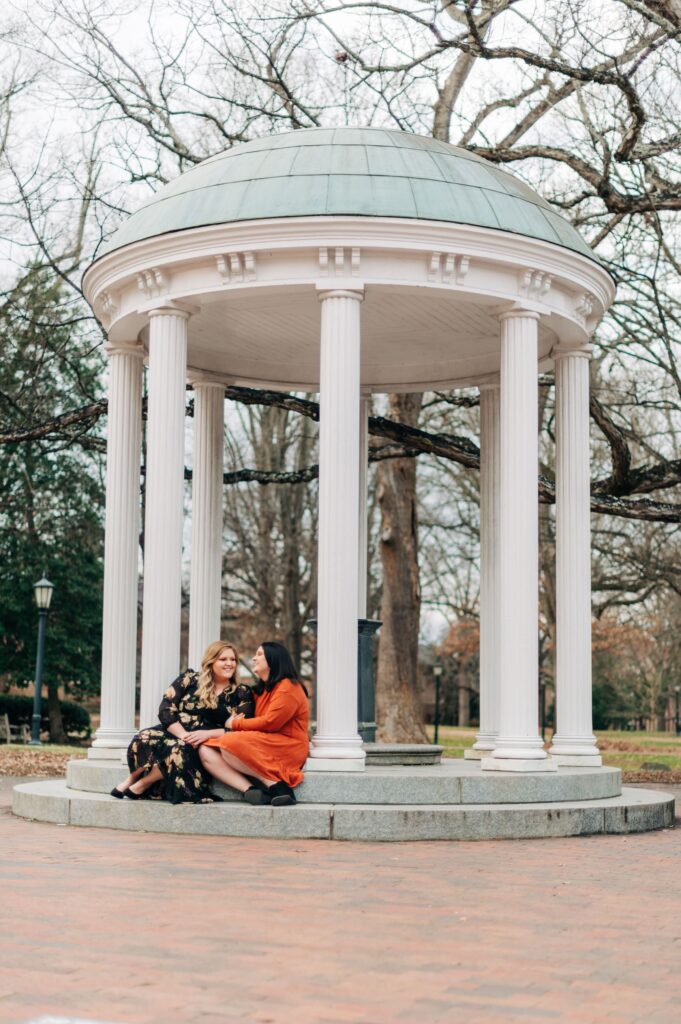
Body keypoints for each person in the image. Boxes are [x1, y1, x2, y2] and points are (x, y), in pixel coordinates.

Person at [111, 641, 254, 804]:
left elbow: (240, 727)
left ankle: (145, 782)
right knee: (144, 736)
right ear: (211, 661)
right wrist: (183, 734)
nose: (229, 663)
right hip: (176, 730)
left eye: (233, 659)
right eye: (223, 659)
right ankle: (132, 778)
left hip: (204, 741)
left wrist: (206, 734)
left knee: (179, 749)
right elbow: (166, 708)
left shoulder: (241, 692)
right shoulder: (189, 679)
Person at [200, 641, 309, 806]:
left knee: (229, 742)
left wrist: (235, 723)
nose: (254, 659)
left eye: (259, 654)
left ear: (273, 659)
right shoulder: (261, 689)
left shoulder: (288, 687)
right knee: (205, 749)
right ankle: (250, 790)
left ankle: (276, 786)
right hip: (263, 741)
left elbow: (270, 723)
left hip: (287, 746)